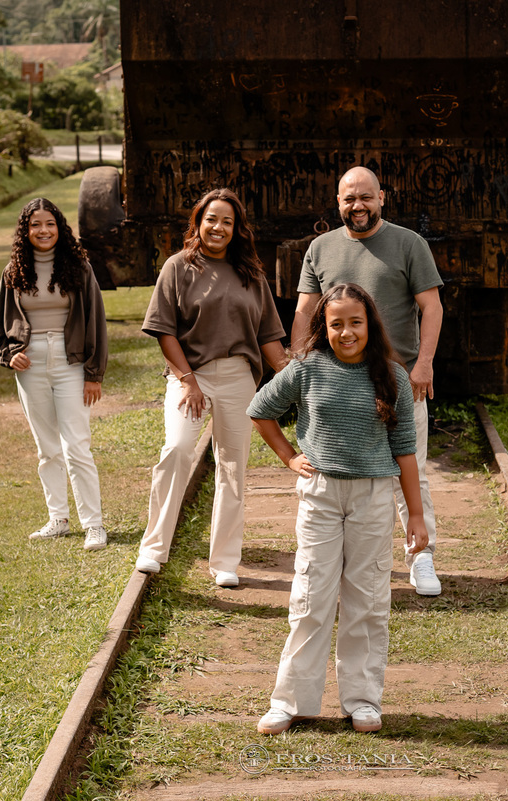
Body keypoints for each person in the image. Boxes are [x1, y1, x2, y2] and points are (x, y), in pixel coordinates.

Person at [250, 283, 428, 736]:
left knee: (367, 599)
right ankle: (290, 702)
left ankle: (363, 700)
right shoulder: (307, 369)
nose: (346, 332)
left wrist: (417, 516)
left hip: (372, 496)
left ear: (369, 324)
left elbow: (405, 450)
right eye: (336, 324)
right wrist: (290, 456)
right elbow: (260, 409)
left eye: (355, 323)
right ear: (322, 327)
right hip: (321, 494)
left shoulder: (392, 376)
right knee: (311, 597)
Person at [291, 166, 445, 596]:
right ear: (337, 203)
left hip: (397, 380)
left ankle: (422, 557)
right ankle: (337, 563)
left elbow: (431, 308)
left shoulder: (408, 243)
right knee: (343, 473)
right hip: (337, 384)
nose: (357, 206)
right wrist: (300, 369)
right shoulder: (320, 248)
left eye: (365, 197)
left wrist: (424, 364)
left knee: (409, 470)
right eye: (348, 199)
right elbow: (304, 313)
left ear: (382, 197)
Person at [135, 188, 288, 587]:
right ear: (198, 223)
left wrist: (295, 377)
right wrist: (188, 381)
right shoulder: (177, 267)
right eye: (211, 219)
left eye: (227, 222)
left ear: (236, 230)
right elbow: (164, 331)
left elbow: (269, 337)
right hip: (190, 376)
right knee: (178, 450)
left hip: (239, 377)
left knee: (233, 467)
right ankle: (153, 548)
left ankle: (225, 562)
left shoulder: (251, 274)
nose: (218, 227)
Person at [0, 197, 109, 551]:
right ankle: (58, 519)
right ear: (26, 230)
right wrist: (10, 354)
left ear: (60, 227)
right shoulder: (14, 270)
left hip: (71, 361)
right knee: (47, 447)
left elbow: (96, 321)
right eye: (36, 225)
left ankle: (94, 525)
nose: (43, 231)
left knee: (77, 445)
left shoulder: (79, 267)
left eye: (50, 224)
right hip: (31, 362)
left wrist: (93, 373)